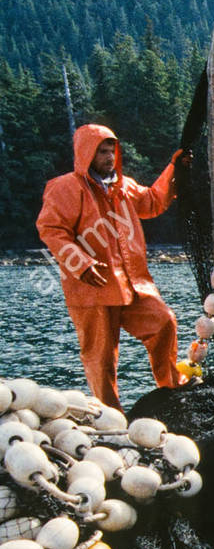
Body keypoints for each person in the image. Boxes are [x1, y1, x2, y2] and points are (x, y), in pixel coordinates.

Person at [36, 124, 190, 412]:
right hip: (91, 288)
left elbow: (153, 202)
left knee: (163, 322)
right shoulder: (66, 187)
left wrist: (174, 170)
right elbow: (52, 229)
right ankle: (110, 417)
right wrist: (80, 263)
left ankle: (172, 388)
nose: (109, 157)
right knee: (101, 357)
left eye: (111, 151)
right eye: (101, 152)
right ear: (85, 154)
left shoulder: (124, 186)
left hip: (133, 284)